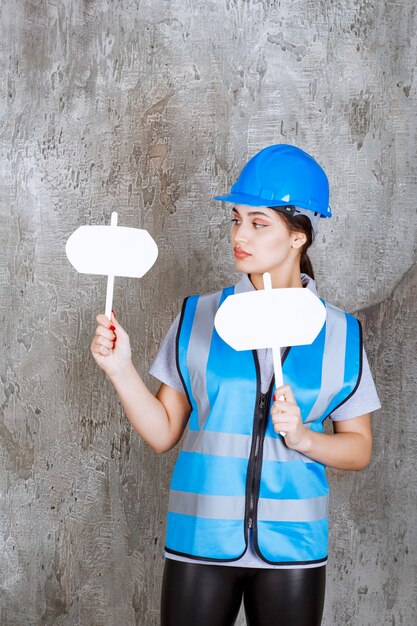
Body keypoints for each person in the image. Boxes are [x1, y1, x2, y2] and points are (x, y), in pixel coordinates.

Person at [90, 144, 382, 626]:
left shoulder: (340, 333)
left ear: (298, 237)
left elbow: (359, 448)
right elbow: (164, 433)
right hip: (199, 543)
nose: (239, 236)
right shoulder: (198, 315)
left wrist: (305, 438)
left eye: (258, 223)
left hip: (294, 551)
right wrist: (120, 369)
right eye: (235, 219)